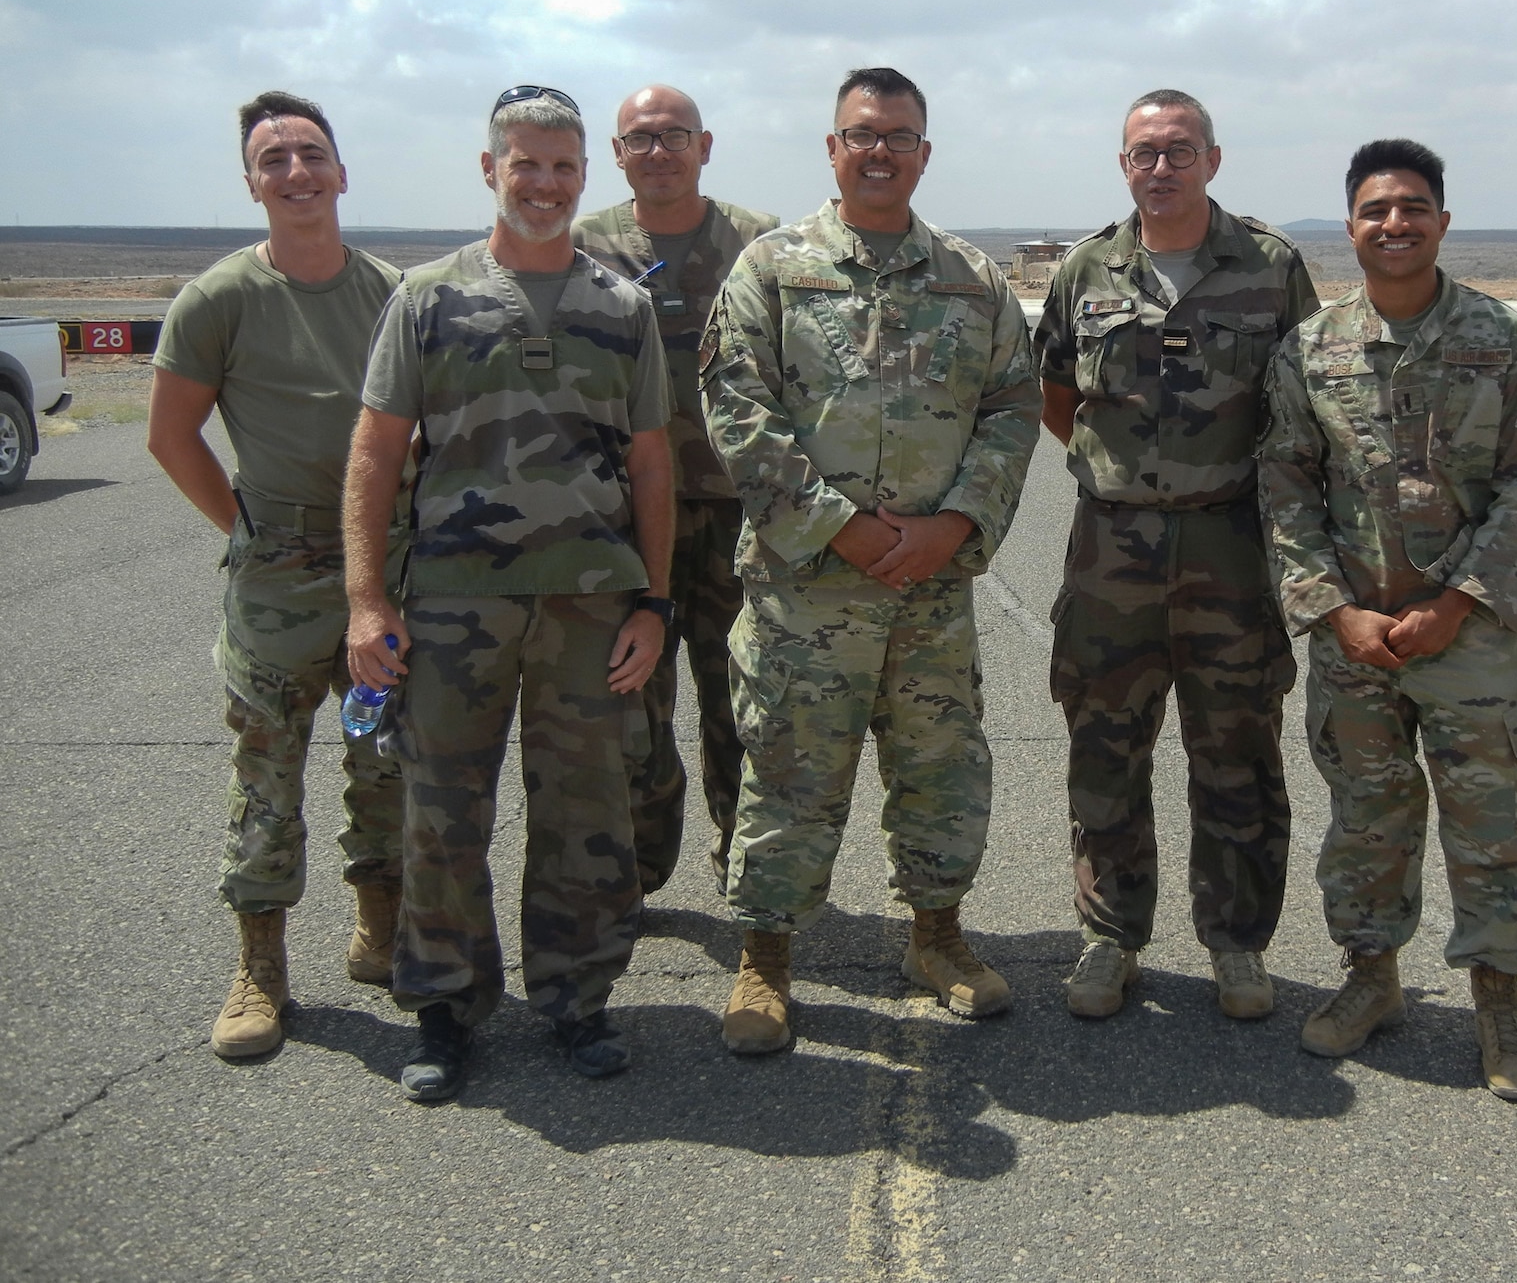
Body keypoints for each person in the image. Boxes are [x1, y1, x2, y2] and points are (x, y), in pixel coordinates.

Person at [343, 85, 677, 1102]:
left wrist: (653, 605)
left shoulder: (621, 308)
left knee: (586, 809)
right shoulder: (430, 297)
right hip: (452, 608)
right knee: (442, 811)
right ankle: (444, 1007)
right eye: (523, 164)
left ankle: (576, 999)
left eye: (563, 167)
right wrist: (366, 601)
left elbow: (652, 463)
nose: (543, 183)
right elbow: (374, 450)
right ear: (489, 169)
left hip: (587, 611)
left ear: (587, 177)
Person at [700, 67, 1038, 1054]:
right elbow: (733, 403)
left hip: (928, 590)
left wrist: (955, 524)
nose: (878, 150)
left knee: (939, 764)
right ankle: (764, 960)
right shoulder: (771, 269)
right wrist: (833, 523)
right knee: (788, 772)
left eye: (897, 135)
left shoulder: (970, 282)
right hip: (806, 588)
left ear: (923, 154)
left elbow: (1011, 407)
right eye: (860, 134)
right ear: (832, 149)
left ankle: (935, 938)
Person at [1257, 140, 1517, 1100]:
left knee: (1496, 819)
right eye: (1376, 210)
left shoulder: (1503, 340)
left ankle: (1499, 1001)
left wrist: (1460, 601)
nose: (1395, 224)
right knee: (1366, 817)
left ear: (1442, 219)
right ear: (1350, 226)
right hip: (1356, 640)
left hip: (1470, 637)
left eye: (1414, 207)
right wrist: (1330, 610)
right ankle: (1370, 978)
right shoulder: (1311, 350)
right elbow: (1284, 485)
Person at [1035, 89, 1317, 1021]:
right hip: (1111, 547)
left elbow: (1301, 405)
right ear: (1124, 166)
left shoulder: (1270, 268)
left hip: (1229, 545)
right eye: (1146, 153)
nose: (1163, 167)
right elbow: (1057, 395)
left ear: (1213, 159)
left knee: (1236, 745)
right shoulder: (1087, 268)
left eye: (1180, 150)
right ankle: (1110, 937)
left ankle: (1237, 945)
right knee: (1104, 745)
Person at [148, 91, 406, 1061]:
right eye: (274, 159)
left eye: (310, 153)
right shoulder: (219, 300)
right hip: (275, 576)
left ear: (341, 172)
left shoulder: (389, 292)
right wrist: (248, 528)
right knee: (267, 767)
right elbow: (172, 438)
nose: (296, 172)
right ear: (251, 183)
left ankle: (379, 926)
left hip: (380, 565)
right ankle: (260, 966)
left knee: (383, 757)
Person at [572, 85, 778, 897]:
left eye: (675, 136)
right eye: (641, 138)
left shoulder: (760, 243)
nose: (659, 151)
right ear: (616, 155)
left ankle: (749, 870)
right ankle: (637, 872)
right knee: (632, 713)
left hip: (742, 514)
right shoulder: (582, 248)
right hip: (622, 523)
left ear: (706, 145)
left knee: (743, 704)